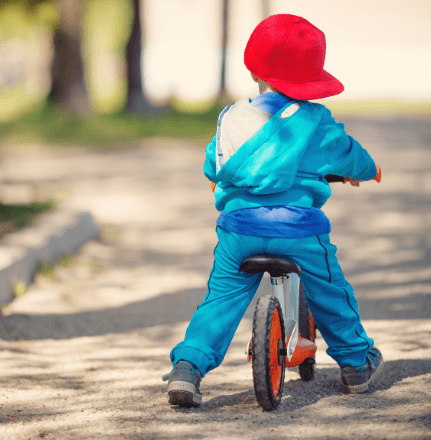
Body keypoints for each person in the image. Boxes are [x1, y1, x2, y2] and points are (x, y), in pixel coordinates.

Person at [164, 14, 383, 407]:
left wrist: (217, 180)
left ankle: (188, 368)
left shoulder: (231, 117)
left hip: (239, 231)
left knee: (221, 299)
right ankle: (355, 363)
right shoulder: (315, 122)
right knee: (331, 291)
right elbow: (349, 155)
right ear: (311, 79)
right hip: (299, 231)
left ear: (254, 70)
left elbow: (213, 164)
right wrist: (368, 171)